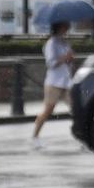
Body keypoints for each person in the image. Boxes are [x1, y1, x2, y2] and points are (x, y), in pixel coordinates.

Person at [32, 21, 74, 149]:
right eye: (65, 26)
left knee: (76, 109)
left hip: (66, 81)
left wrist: (70, 59)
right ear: (59, 27)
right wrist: (64, 58)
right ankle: (35, 136)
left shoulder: (64, 43)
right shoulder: (51, 43)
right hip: (54, 82)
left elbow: (69, 61)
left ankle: (83, 137)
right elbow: (50, 63)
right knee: (48, 110)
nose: (67, 29)